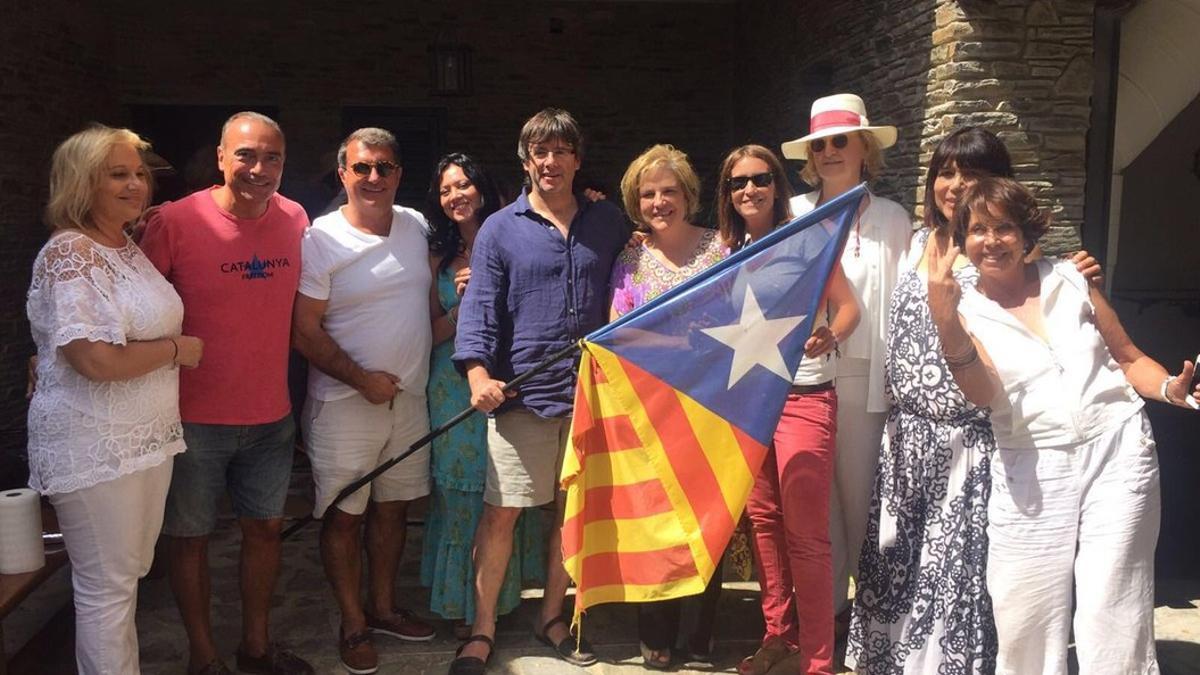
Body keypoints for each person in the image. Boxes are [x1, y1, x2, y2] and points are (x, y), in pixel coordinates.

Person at [939, 177, 1197, 674]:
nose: (991, 240)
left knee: (1113, 603)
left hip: (1117, 447)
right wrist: (945, 319)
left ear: (1026, 233)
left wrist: (1168, 389)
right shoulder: (962, 307)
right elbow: (983, 393)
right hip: (1031, 463)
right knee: (1025, 612)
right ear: (962, 240)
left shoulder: (1071, 278)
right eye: (977, 230)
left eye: (1004, 227)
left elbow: (1127, 358)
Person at [449, 108, 629, 674]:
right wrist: (478, 374)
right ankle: (482, 630)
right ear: (526, 161)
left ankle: (552, 616)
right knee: (501, 514)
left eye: (560, 151)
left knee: (571, 512)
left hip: (591, 397)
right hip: (521, 396)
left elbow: (641, 282)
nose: (550, 162)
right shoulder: (500, 228)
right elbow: (478, 309)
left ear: (578, 158)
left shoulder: (609, 223)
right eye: (538, 152)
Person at [25, 125, 203, 674]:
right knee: (107, 589)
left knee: (125, 577)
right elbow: (94, 360)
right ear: (82, 183)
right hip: (96, 442)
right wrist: (175, 349)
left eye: (139, 174)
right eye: (118, 174)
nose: (136, 185)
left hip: (143, 438)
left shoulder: (123, 244)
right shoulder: (70, 252)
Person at [140, 111, 313, 675]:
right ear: (221, 158)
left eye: (272, 158)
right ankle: (204, 657)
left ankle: (256, 648)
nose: (259, 169)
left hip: (271, 415)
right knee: (189, 538)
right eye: (245, 155)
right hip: (193, 417)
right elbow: (136, 305)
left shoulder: (295, 218)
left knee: (264, 530)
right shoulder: (176, 221)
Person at [846, 126, 1013, 674]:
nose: (955, 183)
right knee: (897, 568)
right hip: (906, 438)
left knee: (953, 576)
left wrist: (1076, 273)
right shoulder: (916, 240)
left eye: (971, 172)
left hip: (967, 442)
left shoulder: (998, 250)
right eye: (946, 171)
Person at [292, 128, 437, 674]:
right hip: (345, 404)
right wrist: (360, 379)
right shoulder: (320, 239)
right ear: (343, 173)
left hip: (409, 401)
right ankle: (352, 622)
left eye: (384, 167)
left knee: (394, 510)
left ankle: (382, 607)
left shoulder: (416, 226)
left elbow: (425, 306)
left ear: (399, 174)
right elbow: (304, 332)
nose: (373, 177)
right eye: (362, 168)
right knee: (345, 516)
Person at [716, 144, 860, 675]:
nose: (748, 190)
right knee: (765, 525)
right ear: (727, 194)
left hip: (803, 399)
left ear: (777, 185)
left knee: (806, 535)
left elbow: (849, 308)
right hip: (750, 405)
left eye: (758, 179)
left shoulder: (809, 242)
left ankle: (818, 661)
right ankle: (778, 635)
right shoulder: (728, 255)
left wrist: (831, 334)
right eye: (737, 183)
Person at [781, 94, 912, 630]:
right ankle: (825, 616)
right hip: (804, 378)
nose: (831, 151)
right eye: (821, 144)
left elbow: (906, 303)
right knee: (814, 508)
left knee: (862, 505)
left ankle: (873, 624)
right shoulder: (791, 214)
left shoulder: (892, 218)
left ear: (864, 147)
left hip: (866, 378)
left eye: (841, 140)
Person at [608, 144, 729, 669]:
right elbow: (618, 332)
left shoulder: (722, 248)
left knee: (709, 521)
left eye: (669, 191)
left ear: (688, 195)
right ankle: (655, 629)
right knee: (655, 523)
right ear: (637, 202)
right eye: (648, 193)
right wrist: (681, 345)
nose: (659, 202)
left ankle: (700, 637)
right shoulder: (630, 257)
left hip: (711, 407)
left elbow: (737, 323)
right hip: (650, 409)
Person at [421, 153, 547, 639]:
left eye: (465, 184)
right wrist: (462, 310)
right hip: (452, 389)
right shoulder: (438, 257)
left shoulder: (518, 239)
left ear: (484, 188)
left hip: (507, 383)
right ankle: (461, 605)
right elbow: (426, 334)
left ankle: (501, 600)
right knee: (460, 493)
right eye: (447, 189)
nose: (456, 195)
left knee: (504, 494)